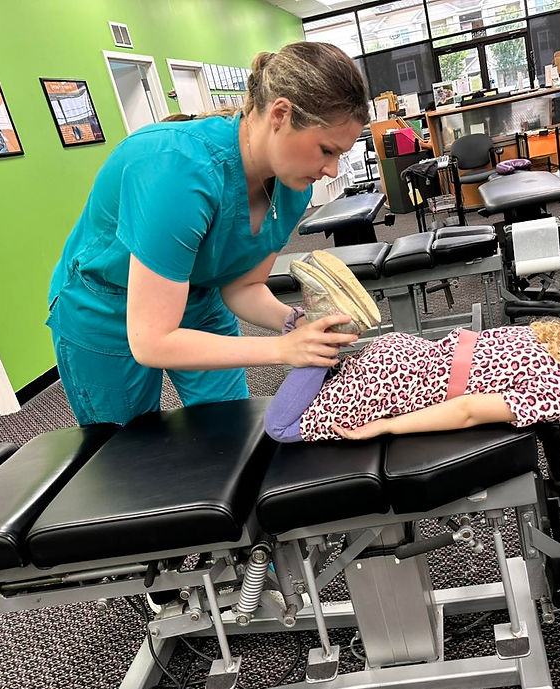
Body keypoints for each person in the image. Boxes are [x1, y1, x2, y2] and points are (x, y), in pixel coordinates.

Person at [46, 42, 371, 426]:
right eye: (325, 151)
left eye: (340, 156)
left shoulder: (293, 187)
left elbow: (243, 287)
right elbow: (152, 339)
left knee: (228, 430)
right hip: (107, 308)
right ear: (280, 114)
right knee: (130, 452)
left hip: (200, 298)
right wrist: (283, 349)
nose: (332, 171)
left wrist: (294, 322)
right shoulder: (176, 171)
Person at [264, 253, 560, 442]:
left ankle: (322, 333)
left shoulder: (555, 337)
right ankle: (312, 322)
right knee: (281, 429)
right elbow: (467, 409)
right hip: (393, 387)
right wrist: (384, 427)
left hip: (405, 353)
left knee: (338, 372)